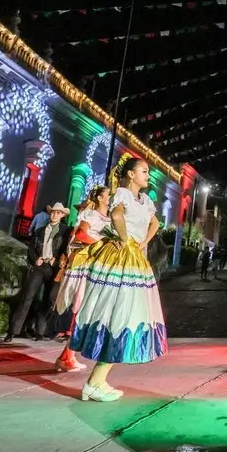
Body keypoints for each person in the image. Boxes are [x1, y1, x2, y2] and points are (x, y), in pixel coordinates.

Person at [69, 157, 166, 402]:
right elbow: (116, 215)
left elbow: (155, 222)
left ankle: (96, 381)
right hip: (124, 259)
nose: (148, 175)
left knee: (126, 317)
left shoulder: (145, 200)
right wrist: (125, 240)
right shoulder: (122, 193)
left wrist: (143, 241)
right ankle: (94, 382)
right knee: (121, 316)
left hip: (134, 259)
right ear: (131, 174)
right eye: (144, 171)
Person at [52, 185, 110, 372]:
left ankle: (67, 355)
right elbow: (81, 234)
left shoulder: (107, 218)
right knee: (80, 306)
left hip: (95, 265)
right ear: (100, 198)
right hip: (84, 265)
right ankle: (67, 355)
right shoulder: (91, 215)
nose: (111, 197)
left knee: (85, 308)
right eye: (108, 195)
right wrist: (101, 245)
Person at [6, 202, 71, 343]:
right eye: (53, 212)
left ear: (62, 215)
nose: (55, 215)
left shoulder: (65, 231)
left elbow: (66, 248)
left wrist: (58, 258)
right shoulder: (40, 230)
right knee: (27, 296)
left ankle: (41, 331)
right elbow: (31, 247)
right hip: (40, 266)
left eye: (58, 213)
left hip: (53, 269)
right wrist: (36, 259)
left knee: (49, 299)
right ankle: (13, 330)